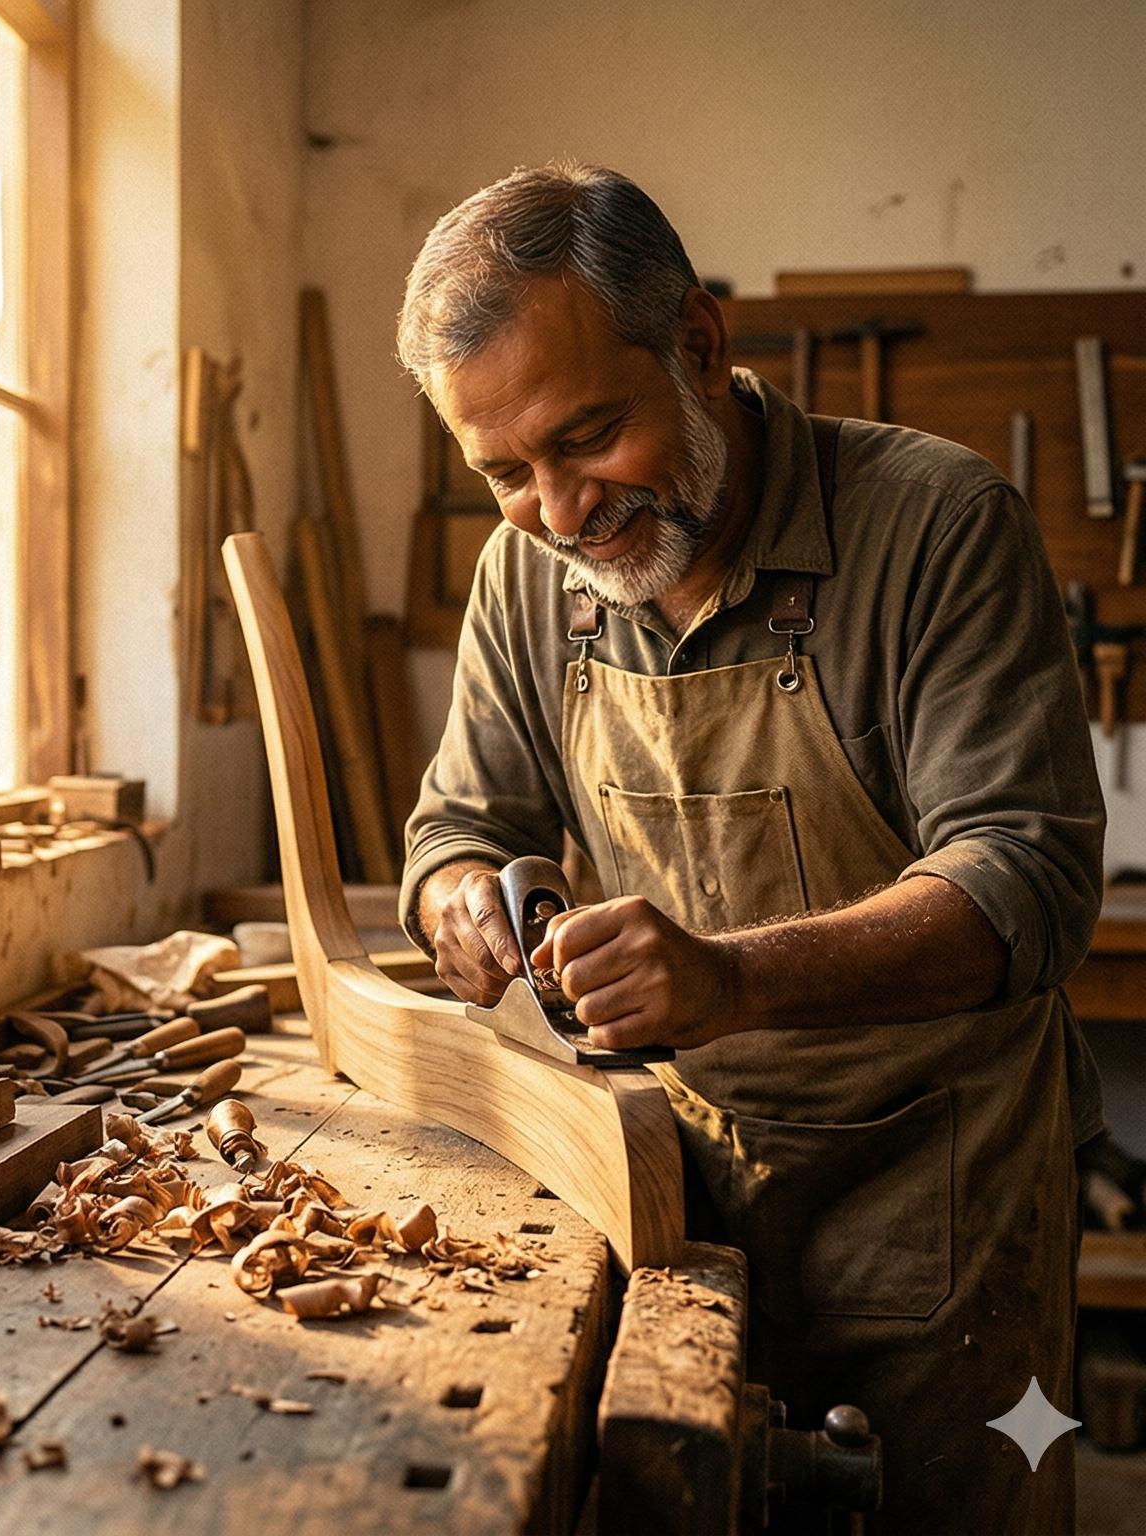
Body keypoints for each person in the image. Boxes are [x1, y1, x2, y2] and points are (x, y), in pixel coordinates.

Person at [399, 164, 1096, 1532]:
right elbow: (457, 824)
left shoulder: (939, 524)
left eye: (589, 436)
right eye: (505, 475)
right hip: (673, 1190)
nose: (559, 512)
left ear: (702, 349)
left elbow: (1028, 881)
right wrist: (462, 896)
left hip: (943, 1220)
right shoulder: (529, 578)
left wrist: (729, 981)